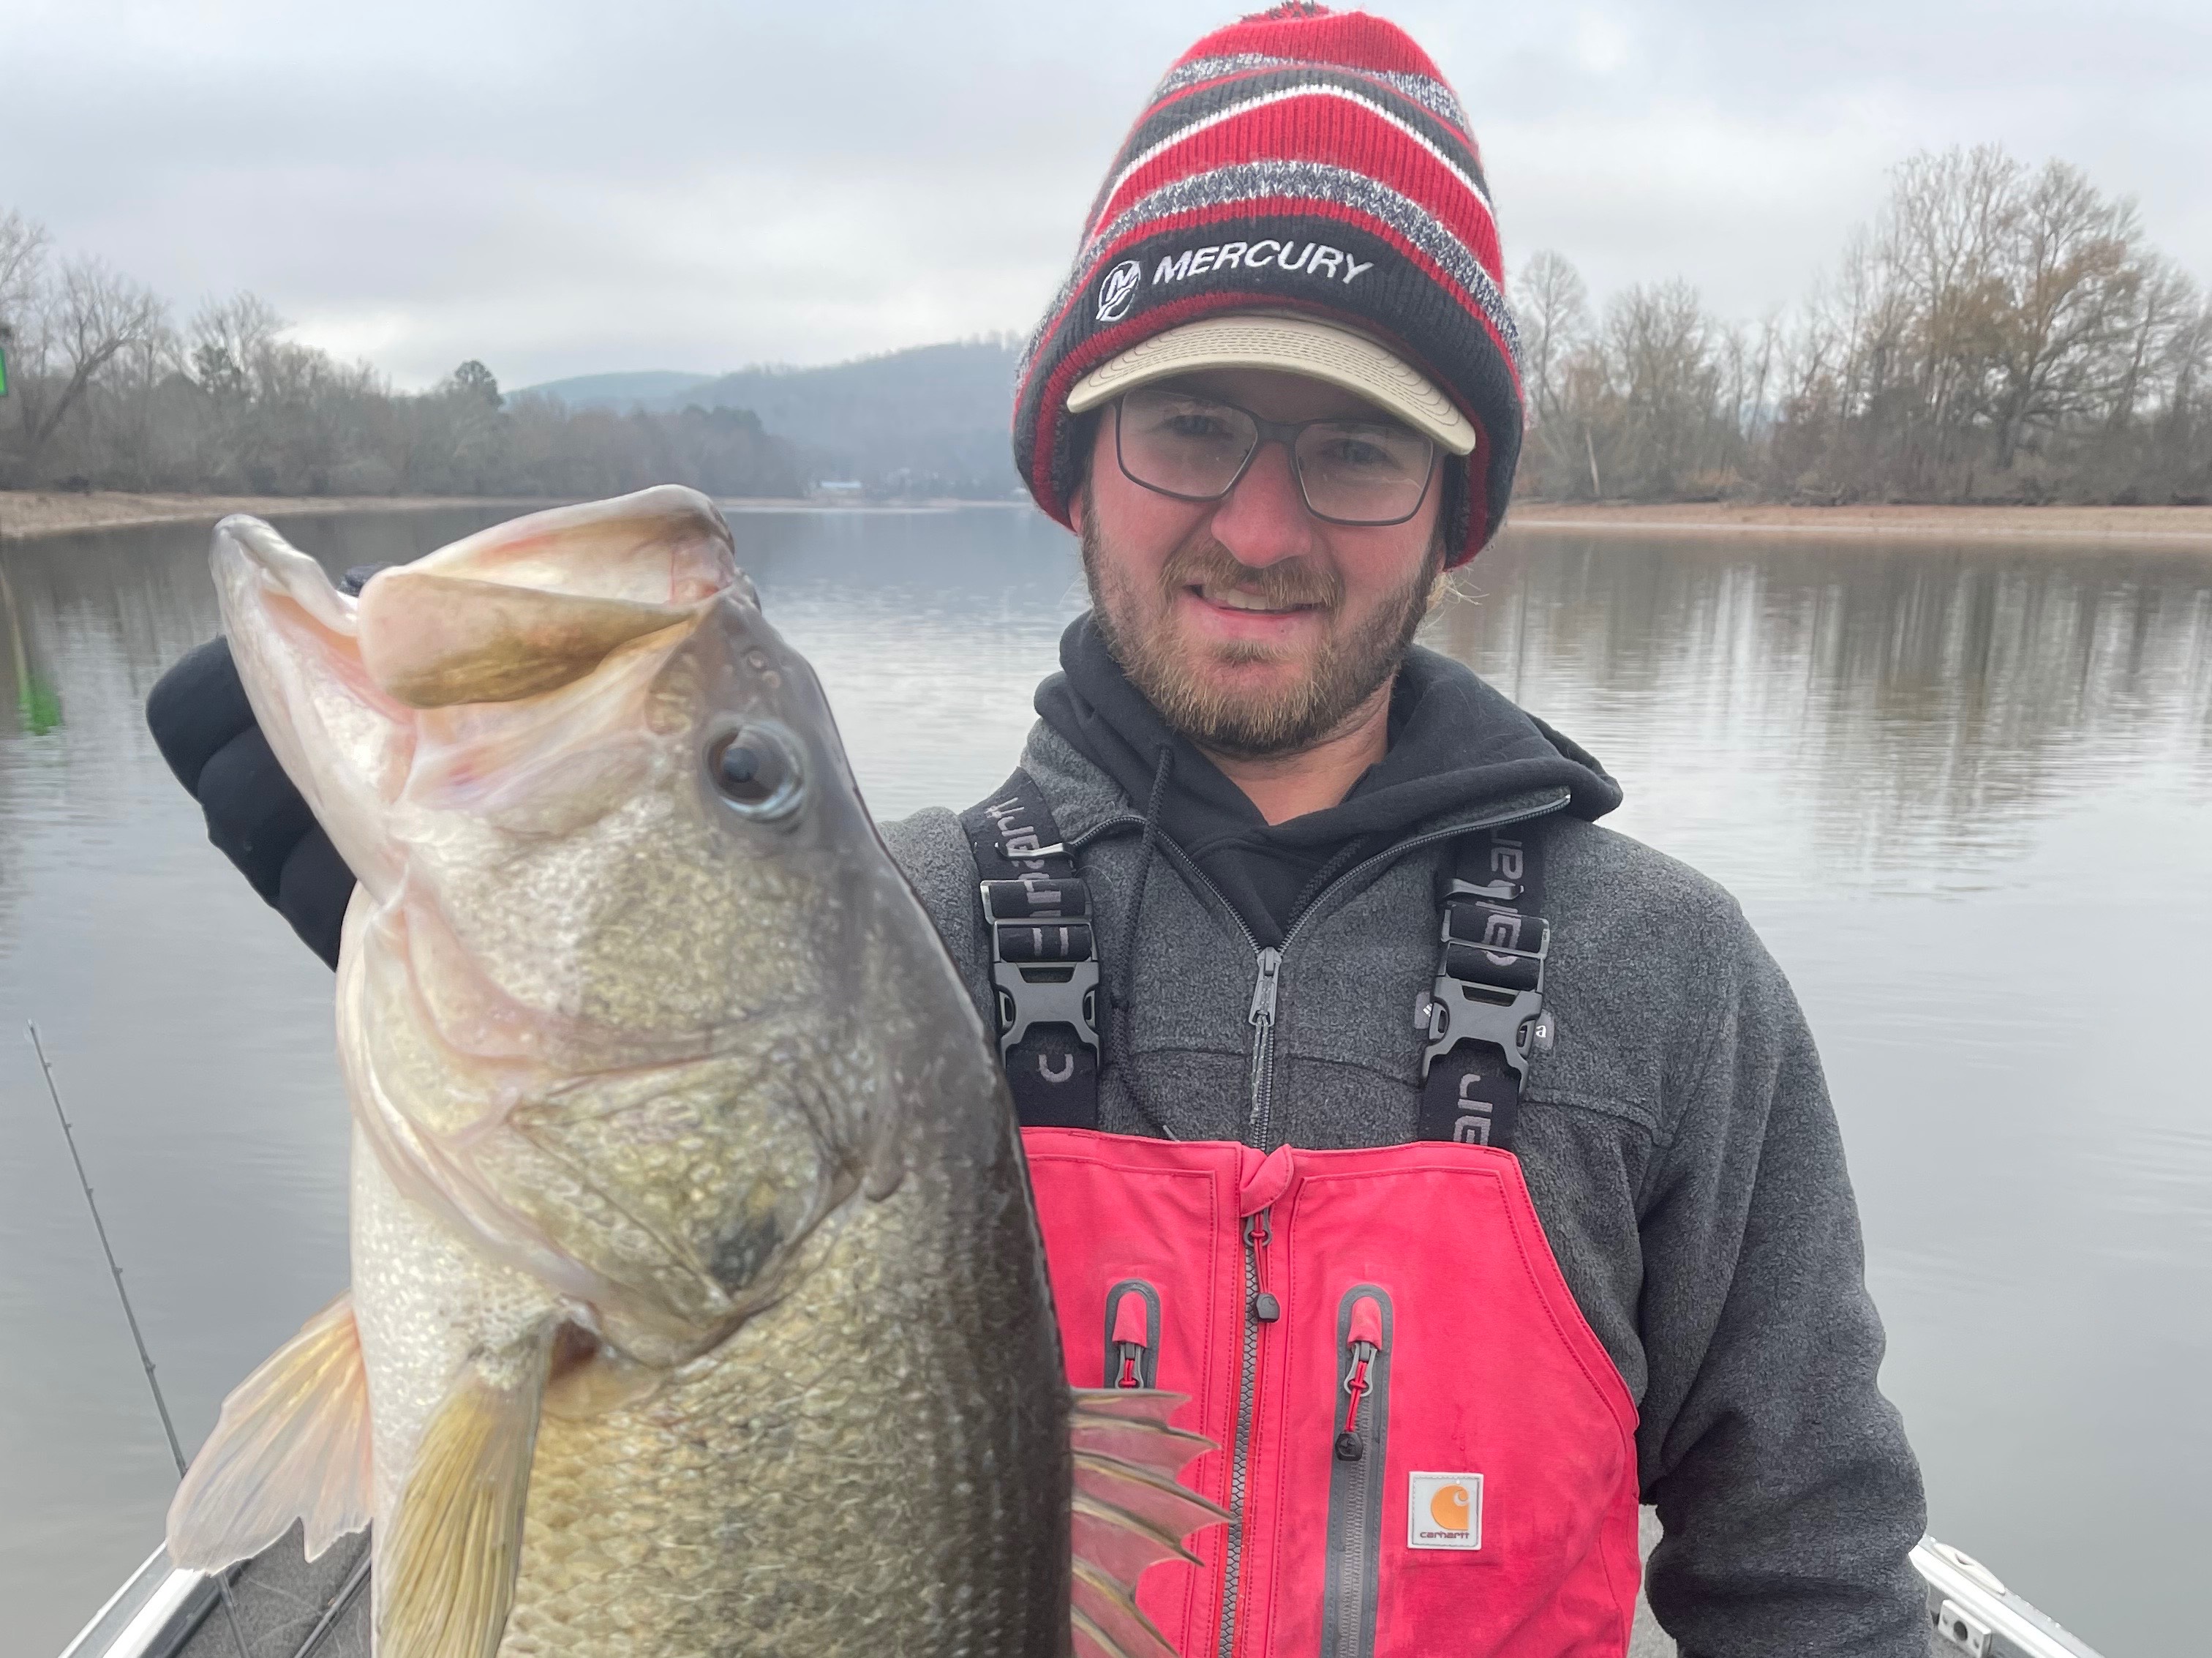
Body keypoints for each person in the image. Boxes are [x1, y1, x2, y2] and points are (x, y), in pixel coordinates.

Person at [148, 7, 1927, 1654]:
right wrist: (505, 954)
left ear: (1456, 509)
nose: (1260, 524)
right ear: (1075, 460)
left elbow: (1815, 1576)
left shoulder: (1674, 985)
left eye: (1360, 449)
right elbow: (607, 1311)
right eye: (1193, 425)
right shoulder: (900, 928)